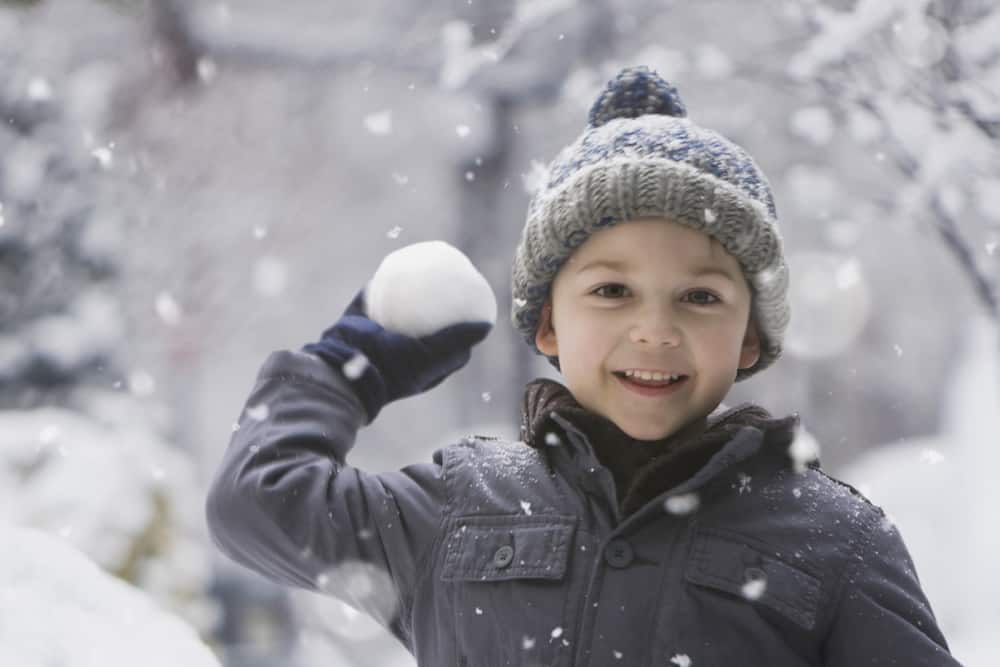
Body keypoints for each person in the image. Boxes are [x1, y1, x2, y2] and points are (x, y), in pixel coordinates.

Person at [206, 66, 961, 666]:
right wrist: (351, 365)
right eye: (611, 291)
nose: (654, 330)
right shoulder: (460, 503)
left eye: (700, 296)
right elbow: (254, 502)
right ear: (547, 322)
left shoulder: (833, 539)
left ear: (751, 339)